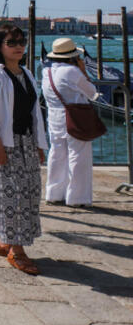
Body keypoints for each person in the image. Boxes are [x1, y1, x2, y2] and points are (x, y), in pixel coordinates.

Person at [0, 23, 47, 275]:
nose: (19, 47)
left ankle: (5, 240)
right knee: (12, 196)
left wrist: (39, 143)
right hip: (5, 142)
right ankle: (16, 251)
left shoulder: (26, 73)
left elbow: (34, 112)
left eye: (21, 42)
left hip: (27, 141)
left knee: (29, 194)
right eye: (12, 43)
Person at [43, 37, 99, 208]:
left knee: (56, 154)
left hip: (54, 117)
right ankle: (77, 198)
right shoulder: (73, 72)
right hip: (75, 116)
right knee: (79, 155)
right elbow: (92, 93)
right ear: (73, 57)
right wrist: (83, 72)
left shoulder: (47, 71)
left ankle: (53, 194)